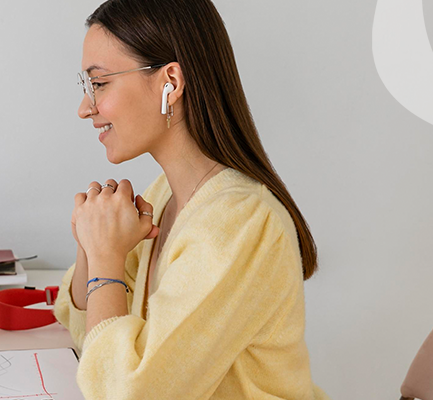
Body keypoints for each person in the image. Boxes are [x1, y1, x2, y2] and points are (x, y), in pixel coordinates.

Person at [52, 0, 329, 398]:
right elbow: (86, 333)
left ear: (171, 82)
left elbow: (129, 391)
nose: (85, 108)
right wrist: (92, 245)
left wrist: (106, 257)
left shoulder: (237, 224)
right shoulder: (165, 195)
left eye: (99, 84)